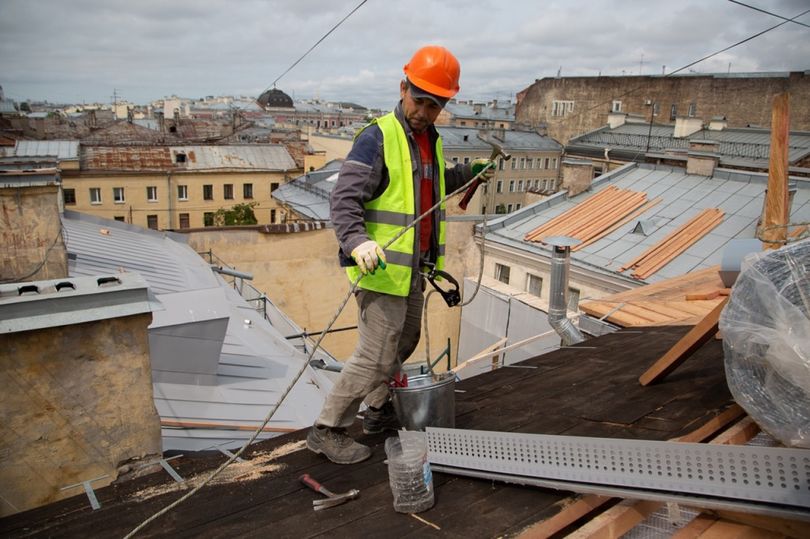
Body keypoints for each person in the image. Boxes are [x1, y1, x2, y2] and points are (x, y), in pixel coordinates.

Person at [307, 45, 494, 464]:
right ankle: (327, 429)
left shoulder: (429, 141)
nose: (424, 112)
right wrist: (356, 242)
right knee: (376, 355)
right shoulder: (377, 138)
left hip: (412, 270)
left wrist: (469, 173)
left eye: (434, 105)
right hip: (379, 269)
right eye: (419, 100)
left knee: (403, 342)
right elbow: (343, 199)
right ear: (403, 88)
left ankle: (377, 410)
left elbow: (431, 188)